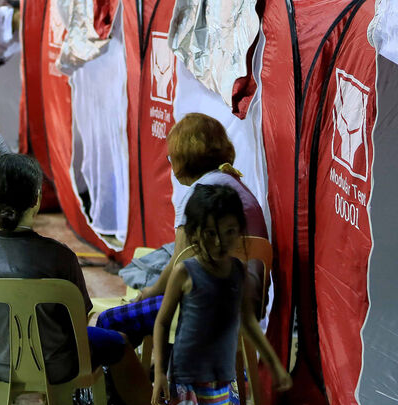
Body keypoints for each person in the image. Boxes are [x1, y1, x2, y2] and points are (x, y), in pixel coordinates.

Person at [0, 154, 163, 405]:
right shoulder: (60, 256)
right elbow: (79, 320)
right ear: (37, 199)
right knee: (115, 345)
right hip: (59, 364)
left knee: (45, 344)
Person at [143, 185, 292, 405]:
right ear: (194, 233)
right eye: (209, 233)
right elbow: (162, 321)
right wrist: (159, 373)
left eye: (228, 232)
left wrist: (274, 364)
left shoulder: (239, 273)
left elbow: (248, 323)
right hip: (184, 380)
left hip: (222, 380)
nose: (219, 242)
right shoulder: (186, 271)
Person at [96, 113, 269, 347]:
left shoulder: (200, 193)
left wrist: (149, 292)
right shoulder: (233, 183)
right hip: (247, 303)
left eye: (171, 156)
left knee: (110, 320)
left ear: (182, 156)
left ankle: (120, 381)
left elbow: (179, 262)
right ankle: (146, 375)